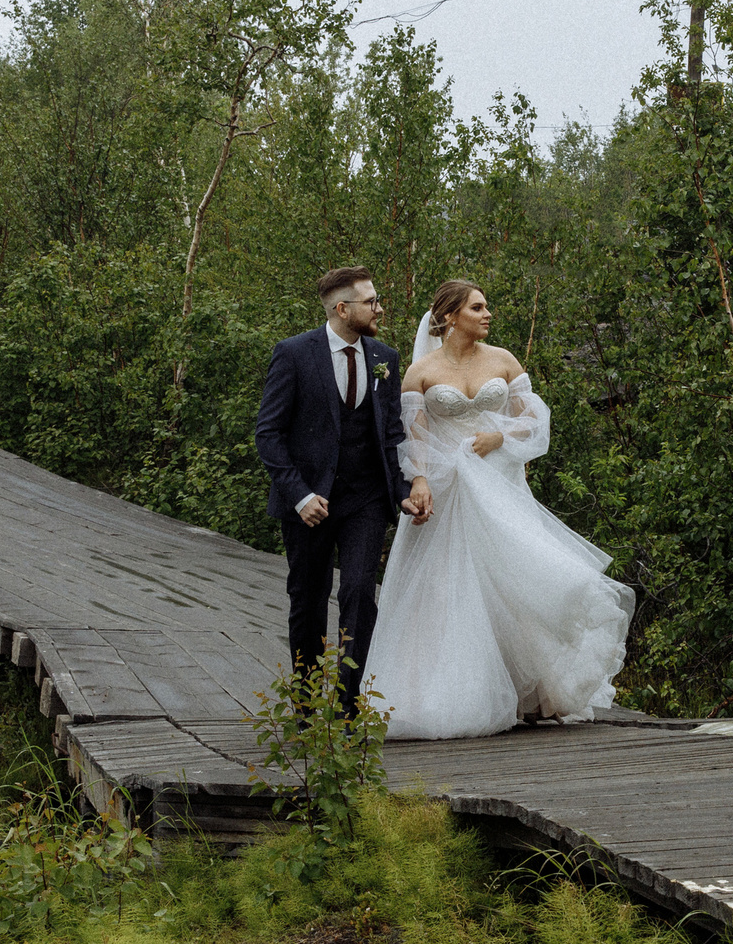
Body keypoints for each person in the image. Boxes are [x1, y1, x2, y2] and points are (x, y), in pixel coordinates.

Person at [362, 279, 635, 739]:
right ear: (449, 316)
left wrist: (500, 437)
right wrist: (422, 479)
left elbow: (534, 418)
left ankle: (532, 693)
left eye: (486, 306)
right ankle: (449, 694)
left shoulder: (504, 360)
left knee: (515, 579)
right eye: (477, 307)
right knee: (451, 589)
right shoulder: (419, 372)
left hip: (499, 483)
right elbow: (412, 436)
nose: (488, 314)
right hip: (449, 492)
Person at [255, 267, 431, 713]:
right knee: (308, 600)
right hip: (308, 502)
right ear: (342, 309)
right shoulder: (294, 354)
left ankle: (348, 706)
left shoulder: (384, 357)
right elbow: (268, 435)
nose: (379, 308)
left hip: (366, 500)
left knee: (358, 593)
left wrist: (402, 491)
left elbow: (390, 435)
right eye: (371, 302)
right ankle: (307, 705)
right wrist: (299, 495)